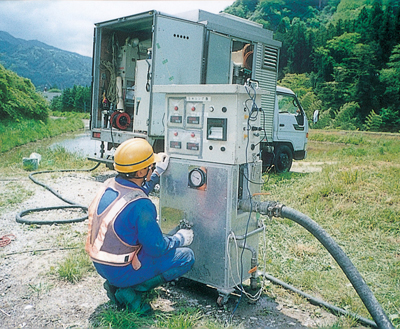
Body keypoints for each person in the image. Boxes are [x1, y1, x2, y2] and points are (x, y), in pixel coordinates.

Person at [85, 138, 195, 313]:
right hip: (121, 270)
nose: (152, 167)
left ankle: (115, 286)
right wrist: (179, 238)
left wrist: (156, 174)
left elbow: (133, 194)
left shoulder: (109, 186)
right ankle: (131, 291)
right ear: (141, 170)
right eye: (151, 165)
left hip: (101, 265)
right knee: (186, 256)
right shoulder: (142, 206)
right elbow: (157, 248)